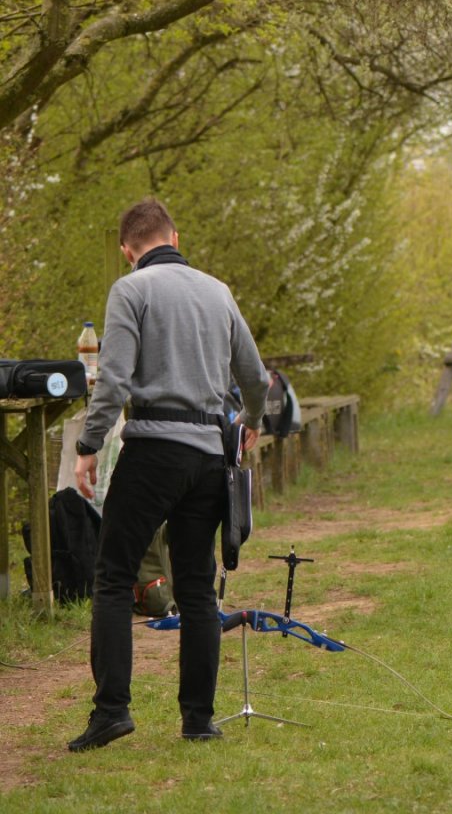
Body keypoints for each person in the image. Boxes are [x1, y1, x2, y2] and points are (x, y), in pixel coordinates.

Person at [67, 198, 271, 752]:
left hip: (154, 450)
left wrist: (88, 446)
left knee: (113, 575)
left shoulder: (130, 291)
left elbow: (111, 384)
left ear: (127, 250)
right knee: (198, 587)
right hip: (209, 456)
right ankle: (198, 720)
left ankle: (112, 711)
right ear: (174, 237)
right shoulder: (218, 292)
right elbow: (255, 378)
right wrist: (249, 422)